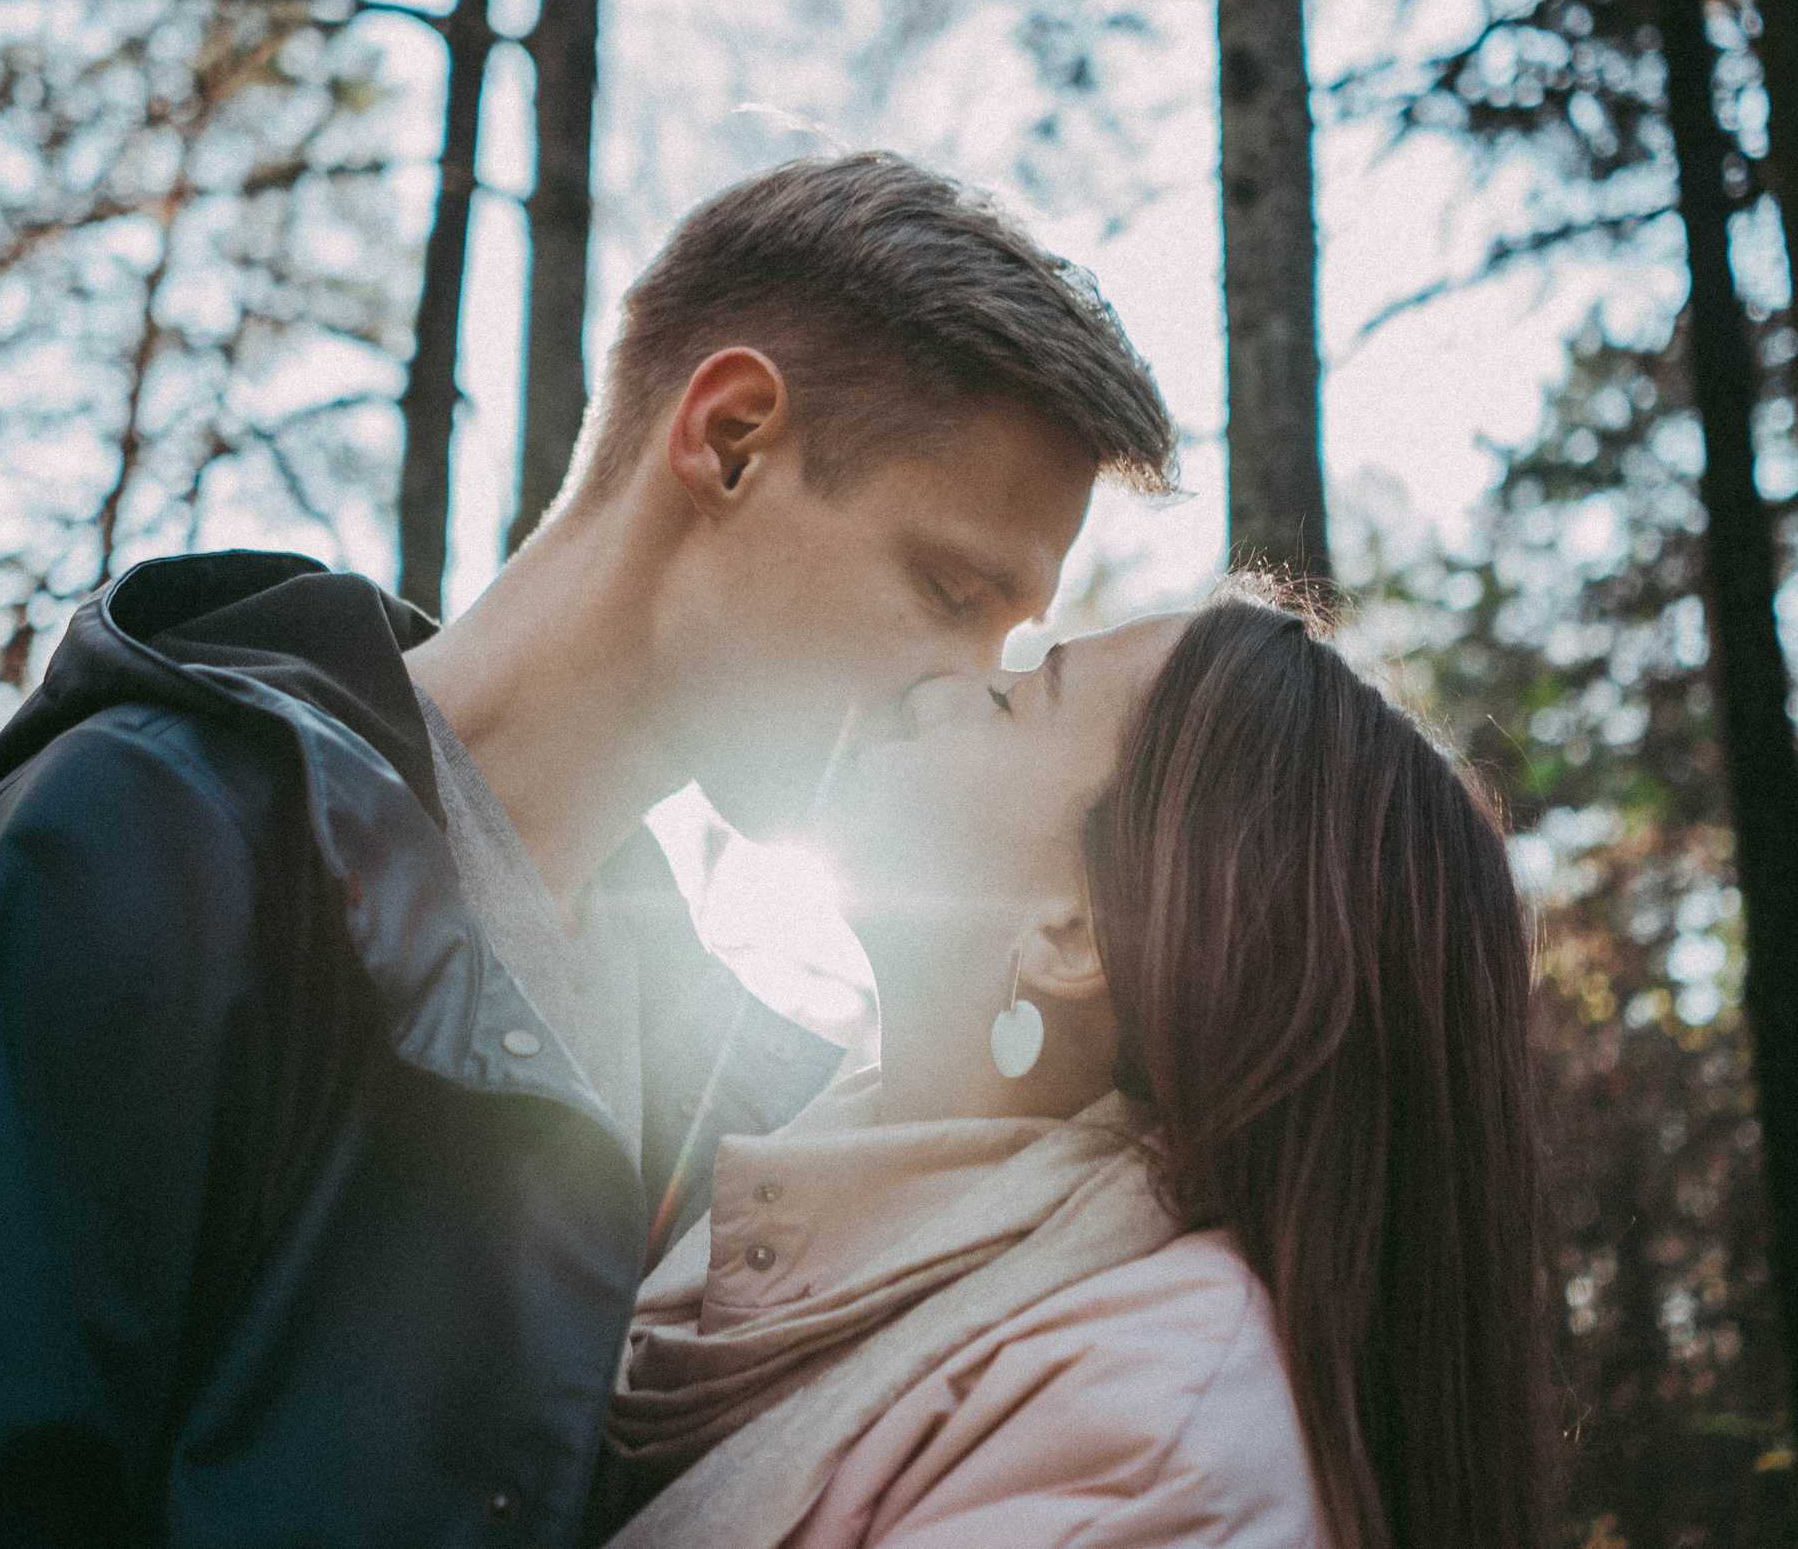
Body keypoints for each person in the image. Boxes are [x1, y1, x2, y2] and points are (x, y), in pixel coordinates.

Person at [0, 154, 1177, 1547]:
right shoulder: (142, 852)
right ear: (735, 437)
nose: (961, 688)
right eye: (953, 591)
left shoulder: (723, 1098)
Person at [589, 590, 1554, 1549]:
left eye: (1017, 698)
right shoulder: (728, 1208)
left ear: (1072, 932)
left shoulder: (1156, 1422)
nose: (945, 686)